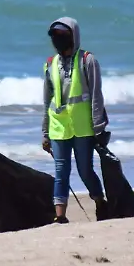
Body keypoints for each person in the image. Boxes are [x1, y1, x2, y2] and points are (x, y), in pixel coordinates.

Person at [41, 17, 109, 224]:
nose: (57, 40)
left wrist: (99, 127)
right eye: (54, 36)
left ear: (73, 36)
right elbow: (47, 101)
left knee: (85, 170)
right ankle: (60, 216)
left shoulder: (87, 60)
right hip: (58, 128)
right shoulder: (50, 64)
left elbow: (96, 95)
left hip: (83, 128)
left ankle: (100, 201)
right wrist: (45, 133)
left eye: (61, 36)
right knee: (61, 171)